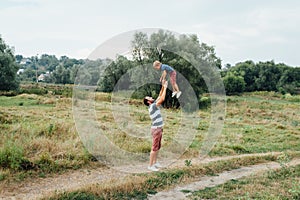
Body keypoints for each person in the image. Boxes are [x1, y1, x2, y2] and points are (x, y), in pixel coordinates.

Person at [143, 80, 168, 171]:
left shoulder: (153, 104)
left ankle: (155, 163)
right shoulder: (153, 106)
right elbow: (162, 99)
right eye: (149, 97)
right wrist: (165, 88)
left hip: (159, 129)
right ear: (148, 102)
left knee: (158, 147)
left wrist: (163, 86)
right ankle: (150, 165)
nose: (151, 97)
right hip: (156, 129)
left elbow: (160, 95)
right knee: (154, 148)